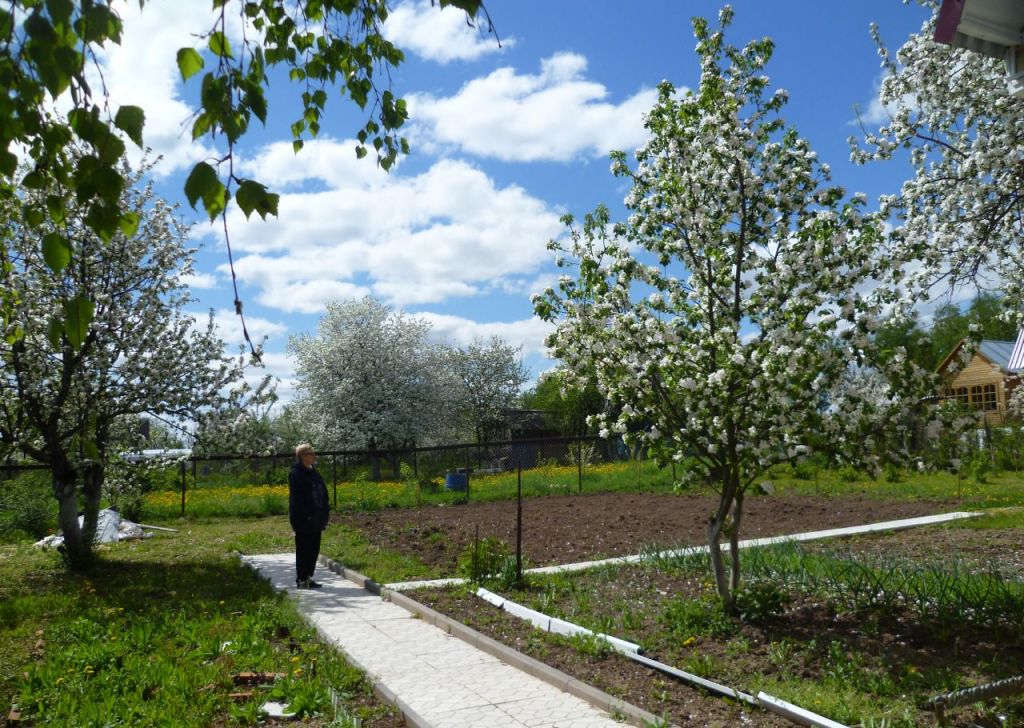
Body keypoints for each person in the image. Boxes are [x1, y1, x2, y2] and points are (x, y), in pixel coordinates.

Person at [288, 443, 330, 589]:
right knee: (304, 549)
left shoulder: (314, 472)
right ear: (302, 456)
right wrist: (307, 515)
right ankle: (301, 579)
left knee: (314, 549)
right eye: (311, 453)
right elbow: (298, 498)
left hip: (317, 518)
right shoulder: (296, 473)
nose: (314, 456)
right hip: (303, 519)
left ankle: (308, 577)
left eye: (313, 453)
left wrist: (324, 513)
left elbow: (323, 493)